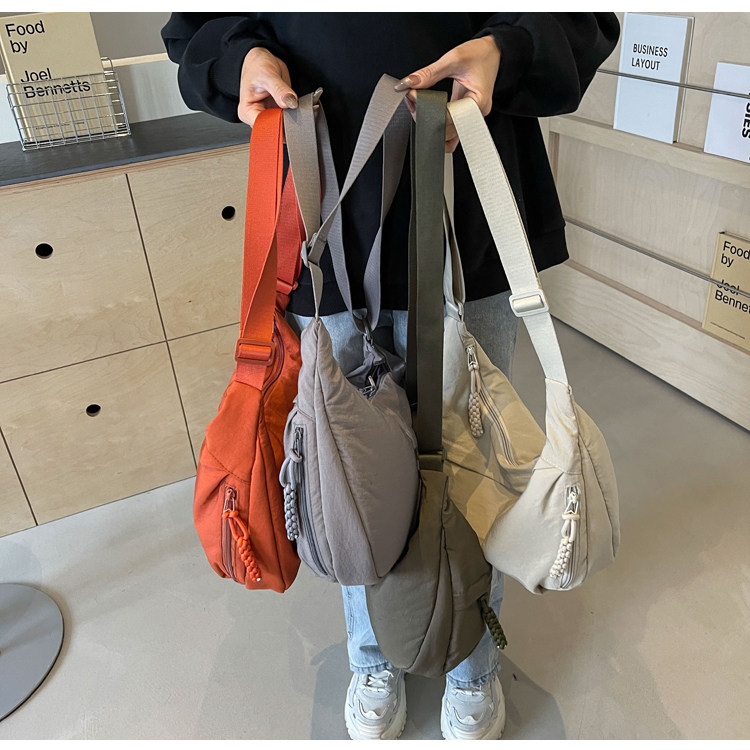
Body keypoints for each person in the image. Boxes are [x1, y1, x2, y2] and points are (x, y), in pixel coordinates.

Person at [161, 12, 619, 741]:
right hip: (328, 209)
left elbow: (585, 17)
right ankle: (372, 651)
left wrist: (508, 49)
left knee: (477, 457)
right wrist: (239, 59)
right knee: (349, 469)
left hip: (468, 199)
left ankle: (471, 658)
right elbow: (197, 25)